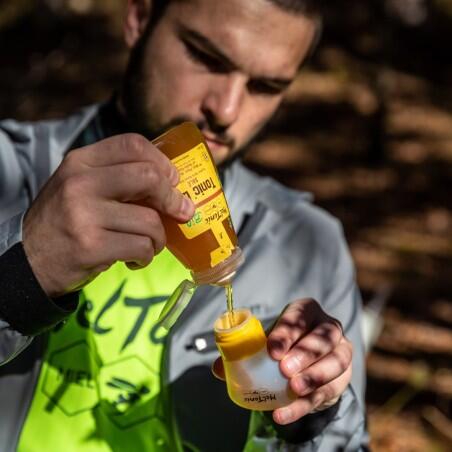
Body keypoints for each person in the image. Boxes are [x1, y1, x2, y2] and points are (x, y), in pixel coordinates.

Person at [0, 0, 368, 450]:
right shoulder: (9, 169)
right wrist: (21, 274)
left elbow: (346, 444)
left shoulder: (308, 245)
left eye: (267, 86)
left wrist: (308, 416)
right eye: (207, 58)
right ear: (139, 18)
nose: (227, 110)